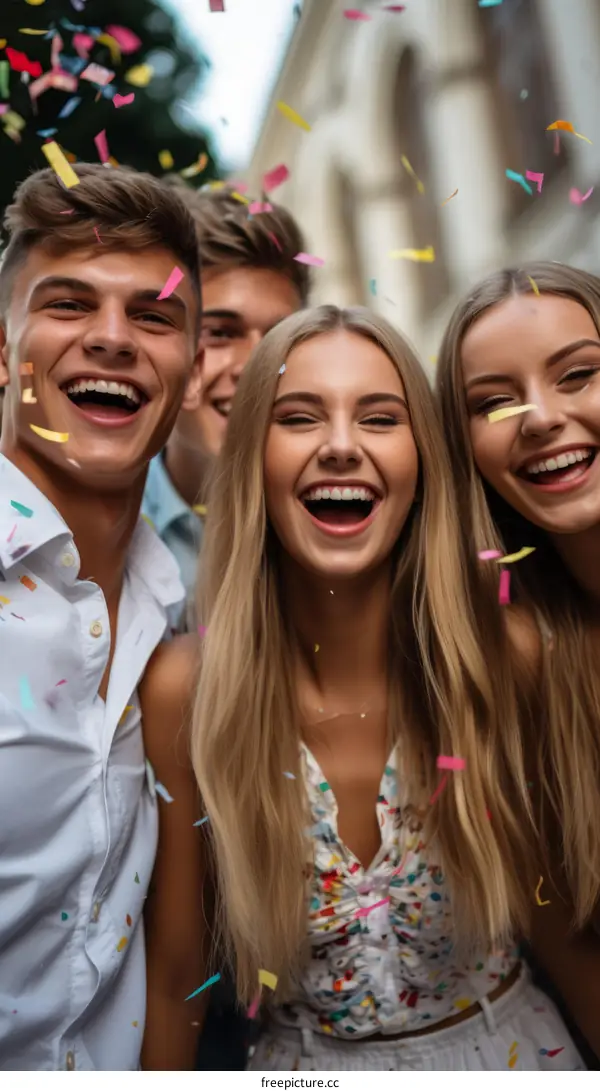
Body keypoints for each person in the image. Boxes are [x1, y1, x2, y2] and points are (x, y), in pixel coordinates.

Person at [139, 304, 593, 1071]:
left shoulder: (502, 656)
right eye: (299, 418)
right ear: (254, 458)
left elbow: (564, 929)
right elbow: (178, 977)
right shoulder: (186, 690)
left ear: (422, 462)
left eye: (379, 418)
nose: (342, 447)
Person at [0, 162, 203, 1070]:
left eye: (153, 316)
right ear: (5, 350)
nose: (113, 339)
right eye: (70, 304)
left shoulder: (179, 613)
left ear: (189, 369)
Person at [436, 260, 600, 1066]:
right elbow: (568, 936)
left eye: (579, 375)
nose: (539, 417)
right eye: (493, 402)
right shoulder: (514, 658)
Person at [141, 184, 309, 618]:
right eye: (219, 332)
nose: (256, 365)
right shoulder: (91, 528)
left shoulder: (347, 520)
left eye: (281, 337)